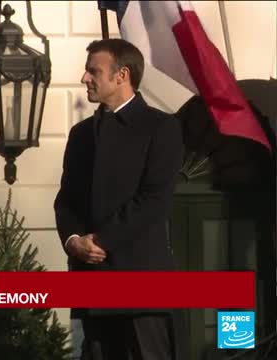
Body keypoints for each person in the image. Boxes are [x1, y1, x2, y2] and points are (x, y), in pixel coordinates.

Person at [54, 38, 183, 360]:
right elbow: (66, 200)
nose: (85, 78)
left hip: (141, 282)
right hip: (92, 283)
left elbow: (154, 199)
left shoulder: (160, 127)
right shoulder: (81, 134)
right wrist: (73, 241)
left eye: (93, 71)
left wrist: (101, 240)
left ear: (122, 75)